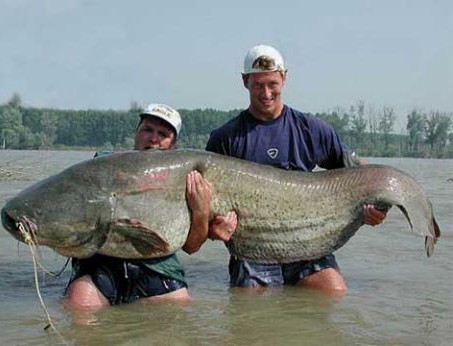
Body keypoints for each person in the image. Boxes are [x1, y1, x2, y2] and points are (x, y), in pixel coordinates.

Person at [206, 44, 387, 295]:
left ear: (284, 78)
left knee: (334, 292)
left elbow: (361, 176)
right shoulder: (225, 138)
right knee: (247, 312)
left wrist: (374, 209)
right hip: (253, 248)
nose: (266, 92)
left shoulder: (311, 129)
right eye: (258, 85)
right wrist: (214, 230)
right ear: (245, 82)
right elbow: (204, 205)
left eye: (272, 84)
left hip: (308, 244)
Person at [65, 103, 237, 310]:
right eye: (148, 129)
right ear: (137, 133)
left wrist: (201, 210)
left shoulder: (191, 181)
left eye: (163, 134)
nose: (153, 138)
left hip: (159, 267)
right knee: (80, 305)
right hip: (103, 265)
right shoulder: (104, 165)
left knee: (179, 309)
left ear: (173, 145)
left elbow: (192, 247)